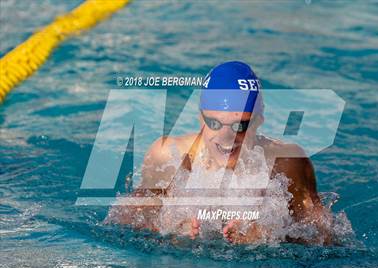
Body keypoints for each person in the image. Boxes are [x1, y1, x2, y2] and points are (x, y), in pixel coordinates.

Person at [106, 61, 333, 245]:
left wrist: (272, 235)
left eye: (239, 126)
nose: (227, 138)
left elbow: (325, 238)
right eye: (214, 123)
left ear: (259, 121)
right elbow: (123, 219)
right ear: (200, 119)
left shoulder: (287, 162)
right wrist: (166, 227)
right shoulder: (169, 156)